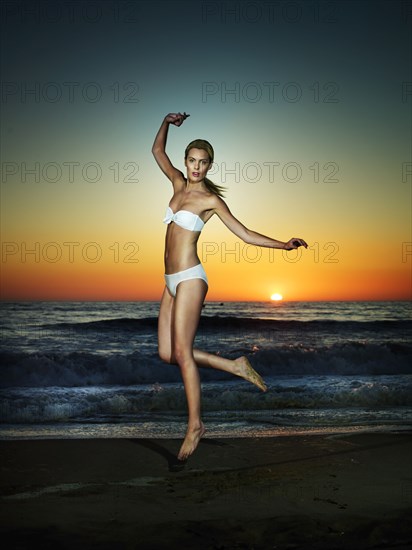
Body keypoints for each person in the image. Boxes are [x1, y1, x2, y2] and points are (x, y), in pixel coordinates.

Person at [152, 112, 308, 461]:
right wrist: (165, 121)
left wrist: (283, 245)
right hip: (169, 281)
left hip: (191, 278)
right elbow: (157, 151)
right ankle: (235, 366)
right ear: (186, 162)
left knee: (182, 353)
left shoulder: (210, 201)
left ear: (209, 167)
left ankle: (195, 425)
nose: (196, 167)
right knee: (167, 354)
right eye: (192, 161)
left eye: (202, 163)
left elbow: (245, 233)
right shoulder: (177, 185)